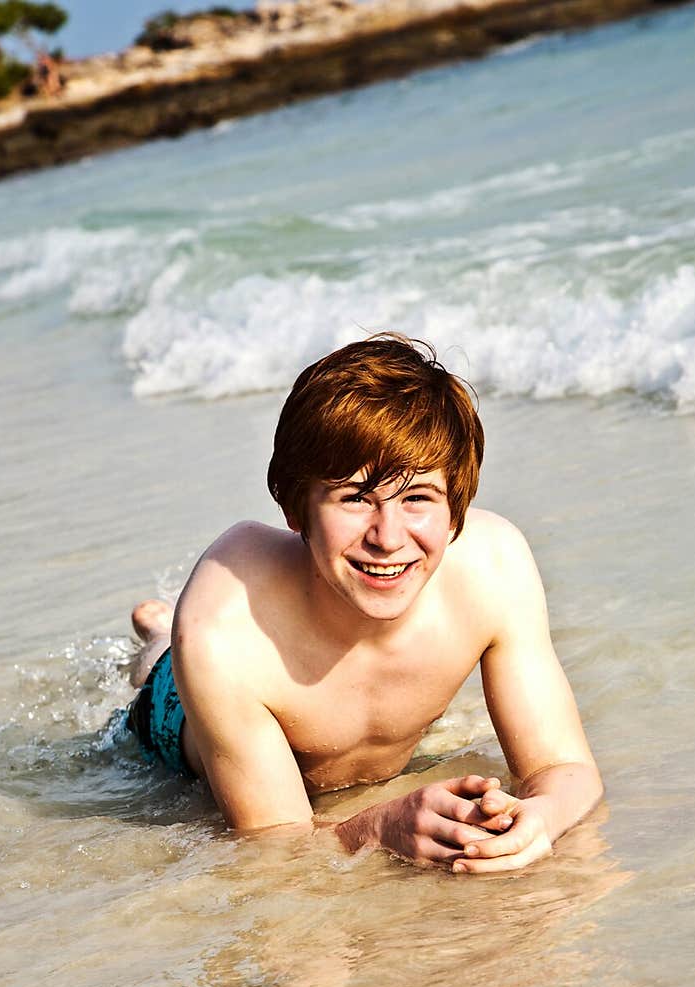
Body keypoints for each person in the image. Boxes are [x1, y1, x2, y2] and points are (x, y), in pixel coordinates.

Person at [126, 334, 602, 873]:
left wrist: (540, 816)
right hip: (179, 720)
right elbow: (272, 846)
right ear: (296, 506)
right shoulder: (224, 628)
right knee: (160, 671)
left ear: (455, 510)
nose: (388, 538)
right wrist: (379, 826)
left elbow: (565, 766)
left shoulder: (493, 569)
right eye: (355, 497)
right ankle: (160, 639)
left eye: (417, 497)